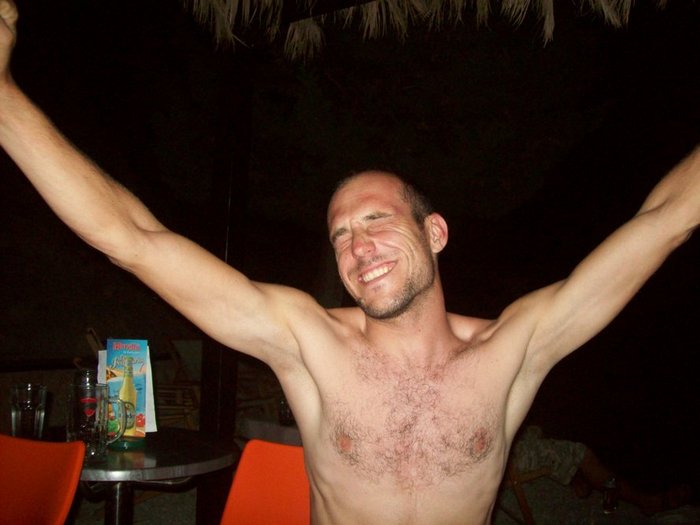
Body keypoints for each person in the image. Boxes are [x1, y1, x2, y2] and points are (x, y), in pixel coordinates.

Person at [0, 1, 698, 523]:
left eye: (377, 221)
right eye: (339, 235)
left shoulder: (515, 344)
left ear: (436, 232)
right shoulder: (307, 341)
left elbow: (665, 221)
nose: (357, 246)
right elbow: (132, 238)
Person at [509, 426, 693, 516]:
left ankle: (575, 475)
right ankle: (643, 501)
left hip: (508, 447)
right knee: (580, 453)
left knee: (535, 429)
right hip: (507, 458)